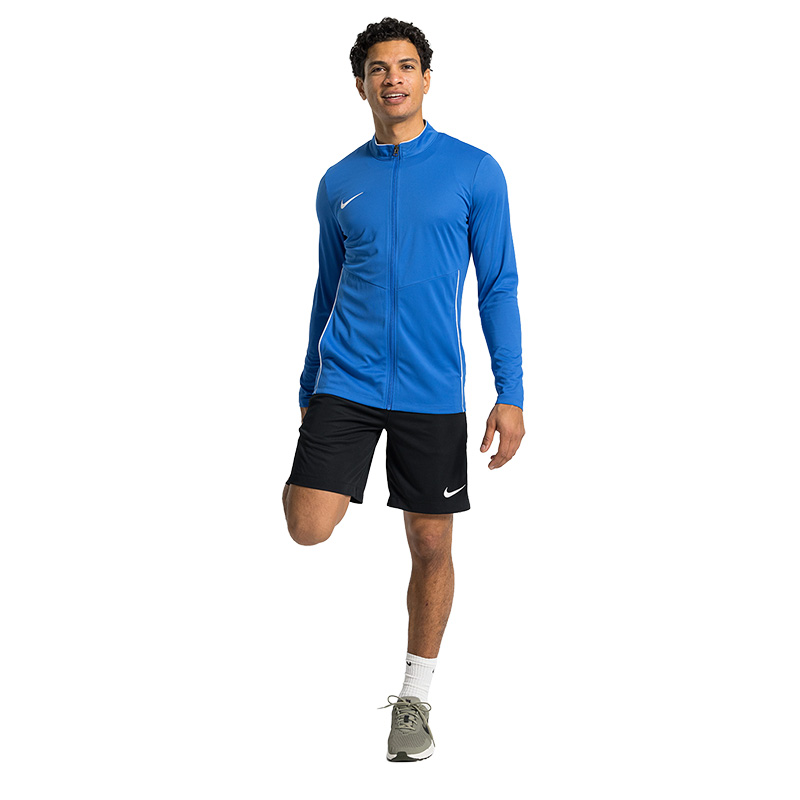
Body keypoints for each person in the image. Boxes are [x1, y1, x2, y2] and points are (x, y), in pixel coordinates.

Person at [282, 17, 525, 762]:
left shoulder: (474, 171)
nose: (394, 78)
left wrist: (510, 392)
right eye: (379, 68)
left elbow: (498, 285)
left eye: (407, 65)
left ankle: (415, 700)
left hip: (430, 388)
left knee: (429, 541)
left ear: (425, 78)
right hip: (347, 377)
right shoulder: (339, 181)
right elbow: (326, 286)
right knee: (307, 525)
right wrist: (308, 379)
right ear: (361, 84)